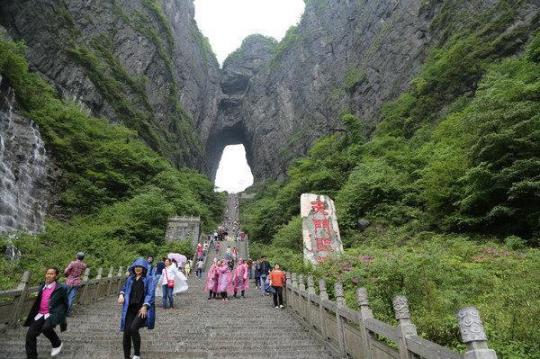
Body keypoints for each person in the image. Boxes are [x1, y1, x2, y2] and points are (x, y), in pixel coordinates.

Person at [24, 267, 68, 359]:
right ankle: (31, 356)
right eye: (48, 273)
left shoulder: (61, 288)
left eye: (52, 274)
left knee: (46, 328)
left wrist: (62, 314)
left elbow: (65, 302)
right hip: (40, 314)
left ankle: (57, 344)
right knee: (30, 335)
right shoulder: (42, 286)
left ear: (56, 276)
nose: (49, 275)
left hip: (52, 314)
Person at [118, 258, 156, 359]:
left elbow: (151, 293)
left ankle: (137, 354)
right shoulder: (130, 278)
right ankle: (126, 357)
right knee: (126, 332)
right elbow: (124, 288)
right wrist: (121, 295)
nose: (137, 269)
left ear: (143, 269)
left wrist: (145, 306)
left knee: (134, 328)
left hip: (141, 309)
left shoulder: (149, 279)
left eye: (140, 268)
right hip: (130, 308)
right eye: (136, 267)